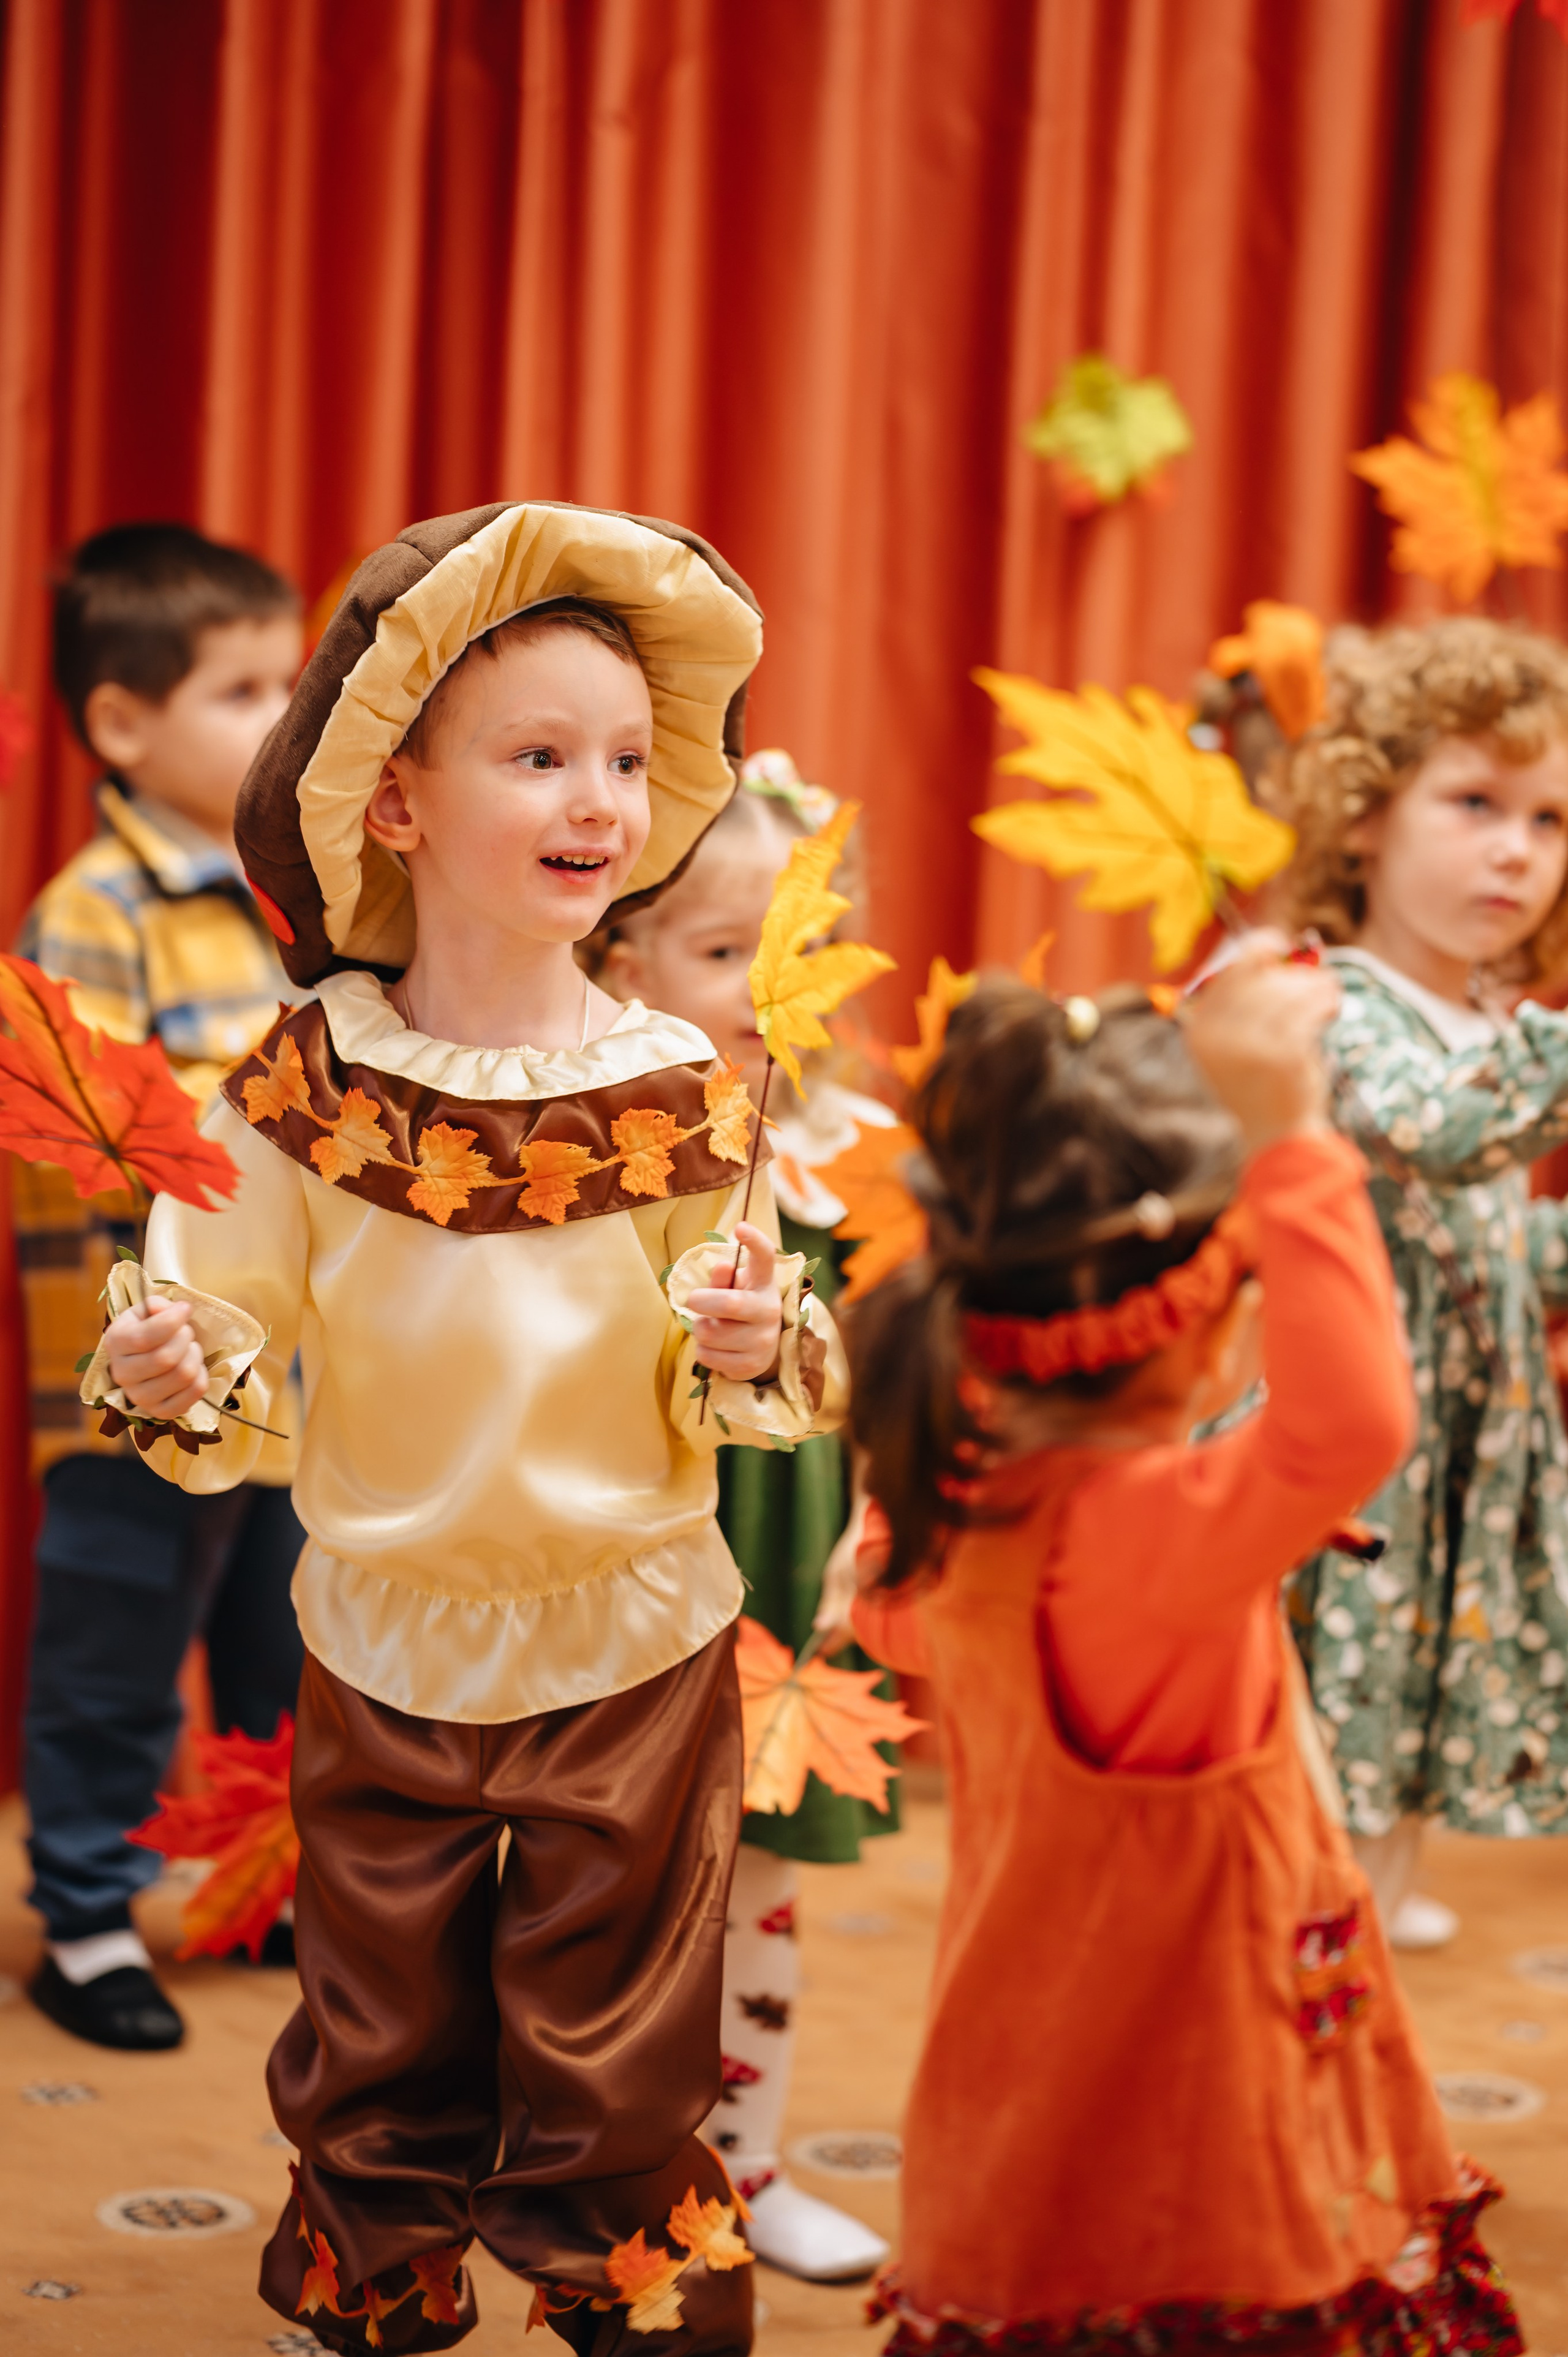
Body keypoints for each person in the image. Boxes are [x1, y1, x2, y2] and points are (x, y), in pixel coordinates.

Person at [89, 502, 847, 2356]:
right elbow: (218, 1316)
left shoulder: (682, 1089)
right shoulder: (295, 1087)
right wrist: (182, 1364)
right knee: (381, 2023)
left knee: (613, 2039)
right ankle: (372, 2283)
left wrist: (751, 1336)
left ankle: (632, 2291)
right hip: (386, 1637)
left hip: (636, 1641)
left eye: (620, 756)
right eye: (537, 756)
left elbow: (753, 1362)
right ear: (399, 801)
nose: (600, 797)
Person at [843, 946, 1518, 2353]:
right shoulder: (1144, 1539)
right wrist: (1292, 1140)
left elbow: (882, 1603)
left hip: (1021, 2103)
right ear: (1201, 1332)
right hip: (1191, 2152)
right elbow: (1350, 1431)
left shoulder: (949, 1502)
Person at [595, 749, 892, 2283]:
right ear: (621, 955)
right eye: (725, 956)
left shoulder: (849, 1156)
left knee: (760, 1883)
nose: (770, 996)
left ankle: (750, 2161)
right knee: (598, 1895)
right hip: (635, 1571)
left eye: (794, 953)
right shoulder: (609, 1143)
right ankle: (567, 2156)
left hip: (788, 1585)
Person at [18, 521, 307, 2053]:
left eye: (294, 676)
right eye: (246, 686)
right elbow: (80, 1143)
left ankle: (256, 1883)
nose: (288, 711)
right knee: (117, 1654)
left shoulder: (298, 904)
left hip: (293, 1379)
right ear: (125, 724)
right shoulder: (95, 912)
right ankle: (82, 1919)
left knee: (283, 1643)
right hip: (148, 1380)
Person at [1276, 617, 1568, 1949]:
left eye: (1546, 817)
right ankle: (1311, 1944)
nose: (1514, 847)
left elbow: (1503, 1241)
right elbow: (1434, 1135)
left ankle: (1369, 1920)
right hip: (1362, 1458)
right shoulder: (1332, 1005)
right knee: (1346, 1704)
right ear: (1360, 823)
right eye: (1472, 803)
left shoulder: (1490, 1029)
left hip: (1466, 1444)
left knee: (1414, 1713)